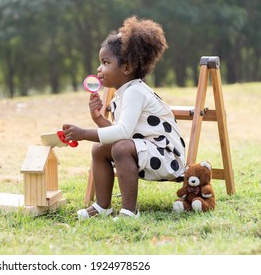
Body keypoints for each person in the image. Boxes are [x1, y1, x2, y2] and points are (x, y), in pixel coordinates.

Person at [62, 16, 186, 219]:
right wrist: (98, 119)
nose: (99, 69)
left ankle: (129, 211)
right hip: (145, 149)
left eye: (105, 62)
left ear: (126, 68)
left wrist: (84, 133)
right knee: (100, 149)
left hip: (166, 156)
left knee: (119, 147)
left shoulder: (135, 92)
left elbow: (123, 135)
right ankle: (103, 207)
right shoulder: (124, 92)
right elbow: (121, 131)